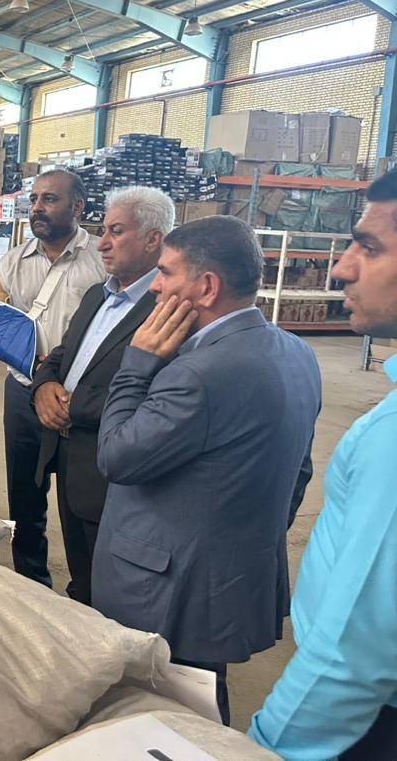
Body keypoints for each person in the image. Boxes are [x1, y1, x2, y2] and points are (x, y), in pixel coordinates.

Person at [92, 215, 321, 726]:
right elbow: (298, 473)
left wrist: (137, 363)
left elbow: (117, 457)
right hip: (229, 579)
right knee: (200, 700)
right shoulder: (297, 354)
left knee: (165, 714)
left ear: (207, 286)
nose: (155, 286)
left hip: (167, 592)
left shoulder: (197, 373)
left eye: (166, 272)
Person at [249, 167, 397, 760]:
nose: (341, 268)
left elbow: (353, 650)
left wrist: (265, 749)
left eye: (370, 248)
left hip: (364, 729)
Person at [31, 186, 173, 605]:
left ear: (153, 239)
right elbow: (63, 354)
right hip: (69, 459)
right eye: (103, 230)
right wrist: (44, 387)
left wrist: (73, 405)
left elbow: (156, 394)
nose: (102, 243)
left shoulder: (165, 309)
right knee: (82, 577)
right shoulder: (99, 294)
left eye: (116, 231)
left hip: (111, 471)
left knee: (113, 591)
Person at [0, 168, 105, 587]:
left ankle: (86, 593)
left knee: (81, 502)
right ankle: (31, 583)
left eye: (50, 199)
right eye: (35, 199)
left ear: (78, 207)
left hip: (81, 402)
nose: (37, 208)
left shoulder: (101, 261)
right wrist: (38, 374)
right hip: (24, 394)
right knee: (24, 498)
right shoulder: (13, 262)